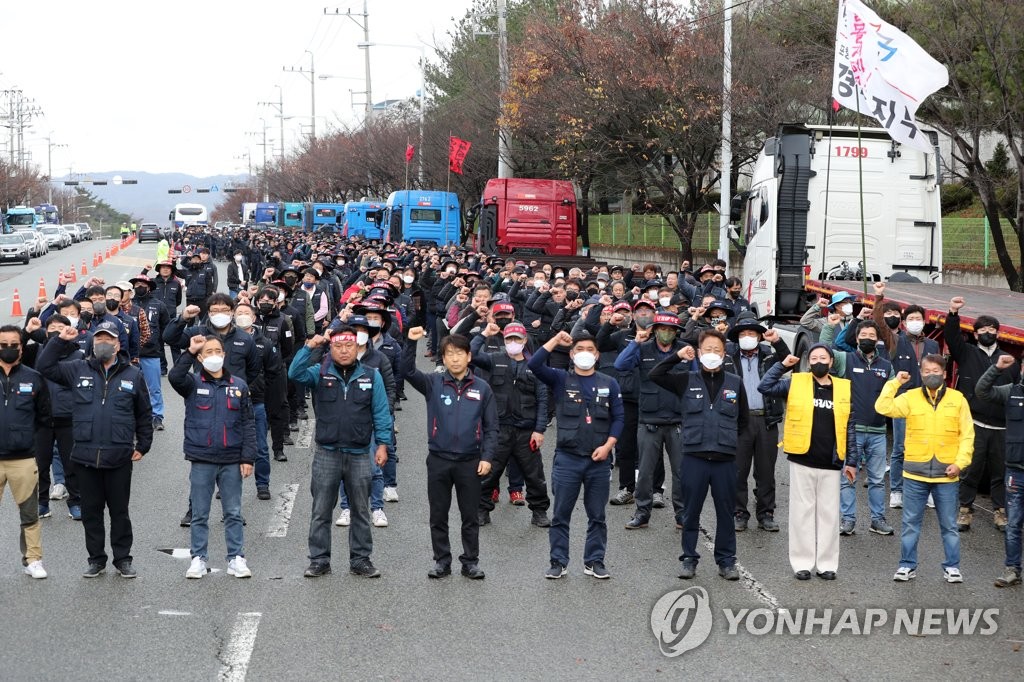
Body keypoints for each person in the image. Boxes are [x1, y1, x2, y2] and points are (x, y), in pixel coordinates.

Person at [38, 321, 153, 579]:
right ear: (92, 342)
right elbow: (44, 367)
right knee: (91, 512)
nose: (103, 343)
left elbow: (144, 413)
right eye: (99, 338)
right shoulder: (78, 369)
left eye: (108, 339)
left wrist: (143, 445)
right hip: (86, 455)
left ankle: (122, 559)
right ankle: (96, 559)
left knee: (119, 512)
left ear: (117, 344)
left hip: (119, 455)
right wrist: (60, 340)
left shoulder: (133, 374)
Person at [289, 327, 392, 578]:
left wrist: (382, 444)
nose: (344, 350)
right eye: (338, 346)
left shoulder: (371, 375)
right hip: (327, 453)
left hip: (359, 453)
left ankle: (361, 559)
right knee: (321, 509)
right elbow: (294, 373)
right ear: (331, 348)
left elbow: (381, 412)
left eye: (349, 346)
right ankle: (319, 559)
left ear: (357, 347)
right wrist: (310, 346)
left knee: (360, 510)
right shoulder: (319, 373)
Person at [649, 330, 747, 581]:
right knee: (690, 511)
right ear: (700, 353)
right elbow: (655, 374)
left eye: (717, 350)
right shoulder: (686, 379)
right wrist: (677, 356)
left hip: (724, 460)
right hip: (694, 457)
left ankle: (726, 561)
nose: (712, 354)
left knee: (726, 513)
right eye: (708, 350)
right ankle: (689, 559)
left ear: (724, 354)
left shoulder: (735, 382)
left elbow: (743, 421)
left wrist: (730, 446)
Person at [529, 330, 624, 580]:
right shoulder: (561, 379)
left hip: (599, 461)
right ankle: (558, 561)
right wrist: (555, 341)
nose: (585, 354)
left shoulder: (609, 383)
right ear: (571, 355)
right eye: (579, 349)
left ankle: (594, 561)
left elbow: (619, 418)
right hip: (568, 459)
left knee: (598, 515)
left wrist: (608, 446)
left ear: (597, 355)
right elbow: (534, 363)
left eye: (590, 350)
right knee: (560, 514)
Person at [404, 327, 497, 580]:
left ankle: (470, 561)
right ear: (443, 358)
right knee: (438, 515)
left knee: (470, 516)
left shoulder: (483, 388)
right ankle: (442, 561)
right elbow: (408, 371)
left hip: (470, 461)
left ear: (469, 356)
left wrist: (487, 457)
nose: (455, 358)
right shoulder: (434, 383)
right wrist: (410, 343)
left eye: (459, 353)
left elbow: (491, 428)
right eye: (449, 354)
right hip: (439, 460)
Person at [875, 355, 974, 583]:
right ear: (921, 374)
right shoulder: (909, 398)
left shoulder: (958, 399)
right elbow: (882, 406)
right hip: (914, 474)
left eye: (936, 370)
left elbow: (967, 435)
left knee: (949, 525)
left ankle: (952, 567)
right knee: (910, 524)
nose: (932, 374)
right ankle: (906, 565)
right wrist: (895, 382)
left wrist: (960, 463)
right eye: (927, 371)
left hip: (946, 475)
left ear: (945, 374)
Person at [758, 345, 852, 580]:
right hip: (802, 458)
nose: (818, 361)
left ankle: (827, 564)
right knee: (802, 513)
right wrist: (783, 365)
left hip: (831, 461)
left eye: (823, 357)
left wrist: (851, 460)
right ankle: (802, 563)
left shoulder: (844, 387)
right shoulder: (796, 382)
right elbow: (765, 386)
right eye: (814, 358)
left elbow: (850, 426)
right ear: (808, 362)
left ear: (831, 361)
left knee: (829, 515)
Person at [169, 335, 257, 580]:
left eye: (218, 350)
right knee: (200, 512)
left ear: (225, 354)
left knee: (233, 512)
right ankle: (198, 558)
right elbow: (175, 377)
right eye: (208, 352)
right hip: (202, 458)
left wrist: (248, 458)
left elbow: (248, 424)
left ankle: (236, 558)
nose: (214, 355)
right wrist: (190, 350)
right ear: (200, 357)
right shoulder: (192, 383)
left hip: (231, 459)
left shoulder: (239, 386)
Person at [945, 296, 1017, 532]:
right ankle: (965, 510)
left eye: (992, 329)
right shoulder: (966, 353)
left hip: (1001, 426)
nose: (988, 333)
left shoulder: (1009, 360)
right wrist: (953, 314)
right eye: (983, 330)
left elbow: (1016, 393)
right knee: (970, 470)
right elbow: (952, 338)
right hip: (973, 422)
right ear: (975, 334)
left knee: (1000, 472)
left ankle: (1000, 512)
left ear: (998, 333)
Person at [470, 320, 551, 528]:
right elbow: (471, 354)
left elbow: (543, 399)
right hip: (499, 428)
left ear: (525, 340)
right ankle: (481, 509)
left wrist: (539, 429)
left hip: (526, 430)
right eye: (509, 339)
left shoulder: (535, 365)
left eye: (517, 338)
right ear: (504, 340)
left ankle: (539, 511)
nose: (513, 342)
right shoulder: (494, 359)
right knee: (489, 471)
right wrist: (484, 334)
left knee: (534, 475)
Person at [614, 312, 689, 530]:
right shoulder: (643, 349)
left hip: (677, 421)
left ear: (676, 332)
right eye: (663, 328)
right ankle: (642, 513)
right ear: (655, 330)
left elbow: (695, 380)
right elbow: (620, 365)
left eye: (671, 330)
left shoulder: (684, 350)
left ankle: (682, 514)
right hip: (649, 420)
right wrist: (636, 343)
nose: (667, 333)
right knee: (645, 473)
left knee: (681, 472)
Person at [821, 318, 895, 536]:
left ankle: (877, 519)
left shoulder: (887, 366)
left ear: (878, 339)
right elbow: (825, 351)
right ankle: (848, 520)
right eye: (863, 335)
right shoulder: (846, 360)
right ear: (856, 338)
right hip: (851, 431)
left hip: (879, 432)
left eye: (872, 336)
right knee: (848, 477)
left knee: (878, 480)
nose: (867, 339)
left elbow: (893, 394)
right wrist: (828, 327)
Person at [870, 282, 940, 510]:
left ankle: (927, 491)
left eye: (919, 318)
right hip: (903, 400)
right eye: (911, 319)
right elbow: (880, 324)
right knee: (900, 447)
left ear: (924, 320)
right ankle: (897, 491)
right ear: (904, 322)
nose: (915, 322)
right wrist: (878, 298)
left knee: (927, 446)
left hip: (929, 402)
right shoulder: (895, 340)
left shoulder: (933, 344)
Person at [728, 317, 789, 532]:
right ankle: (739, 513)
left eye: (752, 333)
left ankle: (766, 513)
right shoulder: (729, 356)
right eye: (743, 334)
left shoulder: (769, 354)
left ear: (759, 335)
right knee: (738, 470)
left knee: (766, 471)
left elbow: (789, 359)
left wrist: (777, 342)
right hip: (739, 421)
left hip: (766, 419)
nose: (747, 338)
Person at [0, 325, 52, 579]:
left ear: (22, 347)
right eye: (3, 344)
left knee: (30, 512)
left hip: (22, 459)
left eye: (13, 344)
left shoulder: (33, 378)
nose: (8, 349)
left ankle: (33, 559)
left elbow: (44, 418)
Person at [975, 355, 1024, 588]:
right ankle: (1012, 569)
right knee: (1013, 524)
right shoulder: (1012, 391)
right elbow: (982, 391)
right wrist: (996, 369)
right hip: (1016, 471)